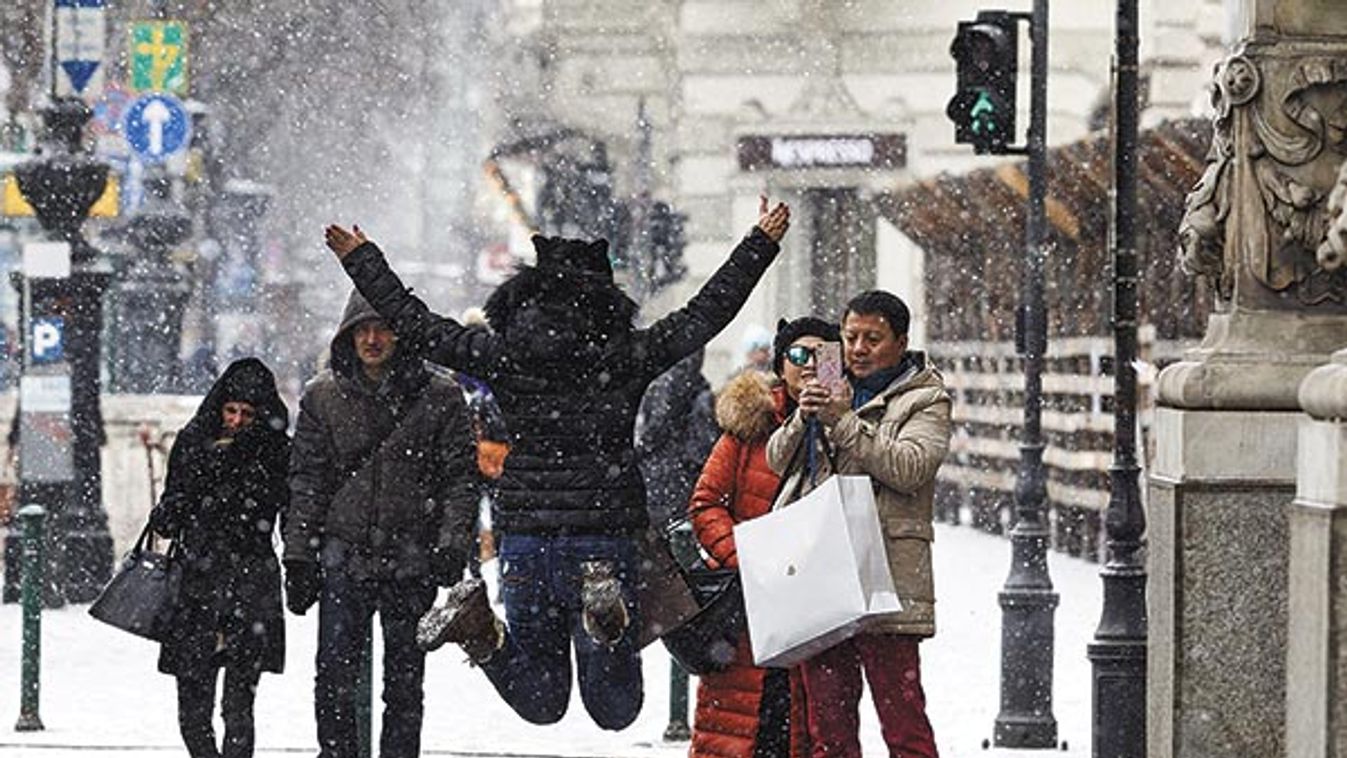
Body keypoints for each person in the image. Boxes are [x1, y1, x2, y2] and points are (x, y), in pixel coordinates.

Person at [321, 196, 790, 730]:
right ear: (606, 297)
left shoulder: (501, 354)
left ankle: (482, 632)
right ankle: (602, 616)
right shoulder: (626, 354)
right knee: (616, 708)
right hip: (605, 533)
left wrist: (362, 259)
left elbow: (419, 324)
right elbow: (705, 314)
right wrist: (760, 243)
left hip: (526, 538)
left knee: (542, 702)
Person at [283, 291, 479, 758]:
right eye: (362, 330)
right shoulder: (323, 396)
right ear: (348, 335)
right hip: (344, 556)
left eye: (382, 328)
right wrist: (298, 556)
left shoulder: (441, 396)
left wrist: (452, 543)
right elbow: (306, 483)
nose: (372, 339)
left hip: (410, 556)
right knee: (334, 677)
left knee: (405, 683)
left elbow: (459, 479)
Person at [766, 291, 951, 758]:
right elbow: (776, 462)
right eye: (849, 337)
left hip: (886, 576)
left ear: (902, 341)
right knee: (828, 726)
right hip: (824, 577)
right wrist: (802, 418)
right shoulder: (831, 383)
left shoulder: (924, 398)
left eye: (873, 338)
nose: (858, 349)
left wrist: (843, 420)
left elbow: (910, 467)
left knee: (903, 721)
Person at [687, 316, 839, 758]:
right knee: (739, 729)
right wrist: (745, 558)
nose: (808, 366)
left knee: (805, 730)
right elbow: (706, 501)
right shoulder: (751, 424)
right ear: (779, 363)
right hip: (749, 608)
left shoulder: (850, 425)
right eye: (797, 355)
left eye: (822, 355)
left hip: (818, 608)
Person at [148, 358, 290, 758]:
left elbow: (285, 510)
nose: (237, 420)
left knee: (238, 705)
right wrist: (171, 511)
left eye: (247, 413)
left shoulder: (274, 450)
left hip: (249, 580)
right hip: (198, 579)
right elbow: (173, 503)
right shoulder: (194, 441)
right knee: (192, 703)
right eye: (231, 410)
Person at [634, 348, 718, 530]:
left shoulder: (664, 384)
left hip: (666, 477)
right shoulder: (698, 391)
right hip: (677, 478)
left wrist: (638, 453)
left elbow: (656, 427)